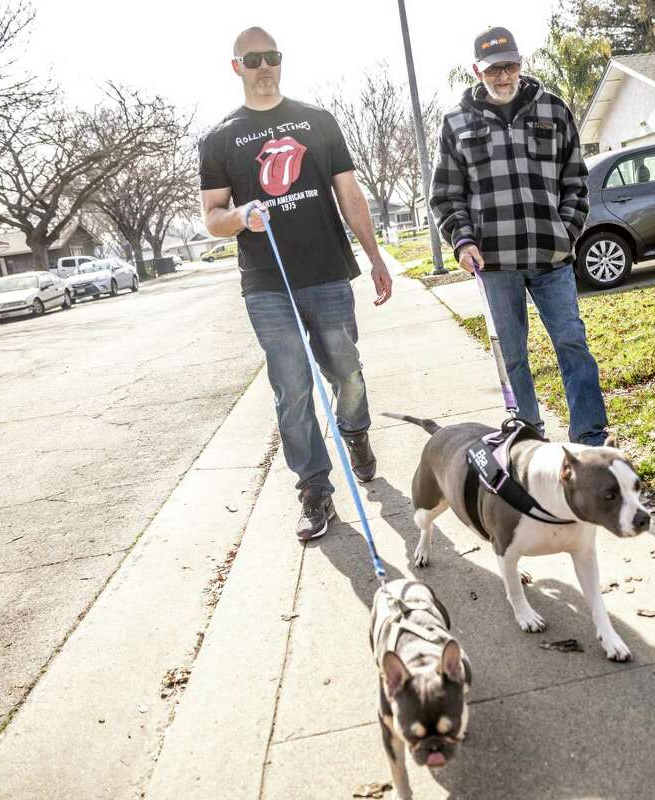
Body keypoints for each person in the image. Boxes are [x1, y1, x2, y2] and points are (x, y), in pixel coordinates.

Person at [199, 26, 393, 541]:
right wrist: (241, 215)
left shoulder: (317, 121)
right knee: (292, 388)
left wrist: (374, 256)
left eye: (272, 57)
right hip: (266, 283)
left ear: (281, 62)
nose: (265, 66)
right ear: (236, 66)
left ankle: (356, 433)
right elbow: (212, 217)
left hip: (328, 272)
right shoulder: (219, 138)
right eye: (253, 58)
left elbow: (350, 194)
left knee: (346, 373)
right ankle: (314, 489)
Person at [430, 26, 609, 446]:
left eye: (509, 66)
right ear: (478, 71)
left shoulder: (553, 109)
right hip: (494, 264)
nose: (503, 76)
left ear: (521, 64)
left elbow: (576, 180)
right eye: (493, 69)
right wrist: (462, 240)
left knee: (572, 343)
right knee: (513, 356)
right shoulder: (456, 122)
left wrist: (565, 231)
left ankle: (590, 437)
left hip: (552, 259)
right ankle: (528, 436)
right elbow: (446, 193)